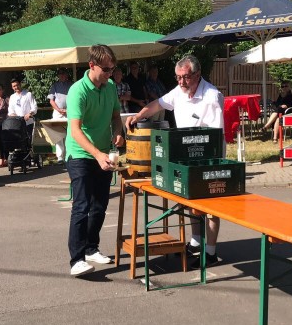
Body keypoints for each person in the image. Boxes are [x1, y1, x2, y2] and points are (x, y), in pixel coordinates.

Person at [126, 54, 224, 267]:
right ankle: (196, 242)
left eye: (185, 77)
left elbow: (216, 136)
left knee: (210, 208)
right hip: (185, 157)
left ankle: (211, 253)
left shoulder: (212, 96)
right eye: (178, 77)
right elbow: (157, 104)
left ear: (197, 74)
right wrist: (139, 116)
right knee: (189, 202)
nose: (181, 82)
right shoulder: (179, 91)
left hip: (208, 158)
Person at [65, 44, 124, 277]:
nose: (110, 74)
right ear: (92, 65)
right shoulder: (77, 91)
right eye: (106, 69)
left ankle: (91, 248)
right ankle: (77, 260)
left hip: (103, 153)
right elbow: (75, 130)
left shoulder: (110, 87)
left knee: (100, 205)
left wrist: (118, 132)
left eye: (113, 69)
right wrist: (97, 154)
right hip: (80, 154)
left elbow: (116, 116)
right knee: (82, 205)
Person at [47, 68, 72, 163]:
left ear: (66, 75)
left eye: (63, 74)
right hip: (58, 112)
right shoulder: (54, 86)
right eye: (60, 74)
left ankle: (69, 155)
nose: (61, 76)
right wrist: (58, 109)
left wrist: (68, 110)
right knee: (58, 135)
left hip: (70, 111)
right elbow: (51, 100)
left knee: (70, 133)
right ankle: (60, 157)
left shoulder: (71, 85)